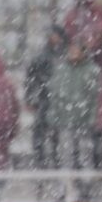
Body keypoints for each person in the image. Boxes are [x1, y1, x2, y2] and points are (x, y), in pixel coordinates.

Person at [49, 41, 101, 170]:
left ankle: (87, 178)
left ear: (83, 52)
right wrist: (53, 114)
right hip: (65, 119)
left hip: (84, 119)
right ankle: (66, 179)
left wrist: (93, 117)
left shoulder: (92, 70)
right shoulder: (61, 70)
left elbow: (95, 97)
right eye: (71, 50)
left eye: (76, 50)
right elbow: (54, 94)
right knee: (66, 153)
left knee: (86, 153)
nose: (72, 53)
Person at [24, 26, 66, 169]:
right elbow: (31, 78)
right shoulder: (42, 57)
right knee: (40, 130)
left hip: (58, 101)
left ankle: (53, 158)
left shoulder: (62, 55)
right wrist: (30, 97)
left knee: (54, 133)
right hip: (44, 99)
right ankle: (40, 159)